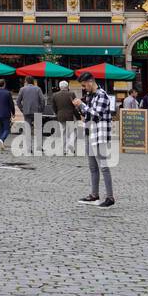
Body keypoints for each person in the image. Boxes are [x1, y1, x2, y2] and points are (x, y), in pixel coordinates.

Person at [74, 71, 115, 207]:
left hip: (100, 134)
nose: (84, 88)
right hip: (90, 133)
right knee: (92, 167)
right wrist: (80, 107)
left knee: (103, 167)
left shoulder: (102, 95)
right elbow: (87, 115)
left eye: (85, 85)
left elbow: (96, 115)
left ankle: (110, 197)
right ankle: (94, 194)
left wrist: (82, 105)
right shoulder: (91, 96)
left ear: (91, 82)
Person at [17, 76, 45, 153]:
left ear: (26, 81)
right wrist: (41, 109)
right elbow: (42, 100)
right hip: (37, 111)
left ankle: (29, 148)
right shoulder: (38, 89)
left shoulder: (22, 89)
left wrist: (22, 109)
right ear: (33, 81)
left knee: (28, 130)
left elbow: (18, 101)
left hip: (26, 112)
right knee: (38, 129)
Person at [53, 79, 78, 155]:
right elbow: (75, 106)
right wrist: (78, 116)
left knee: (63, 133)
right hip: (70, 116)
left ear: (60, 87)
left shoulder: (55, 95)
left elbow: (54, 107)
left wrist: (57, 114)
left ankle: (64, 150)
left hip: (60, 116)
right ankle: (70, 146)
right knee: (73, 132)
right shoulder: (72, 94)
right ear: (67, 86)